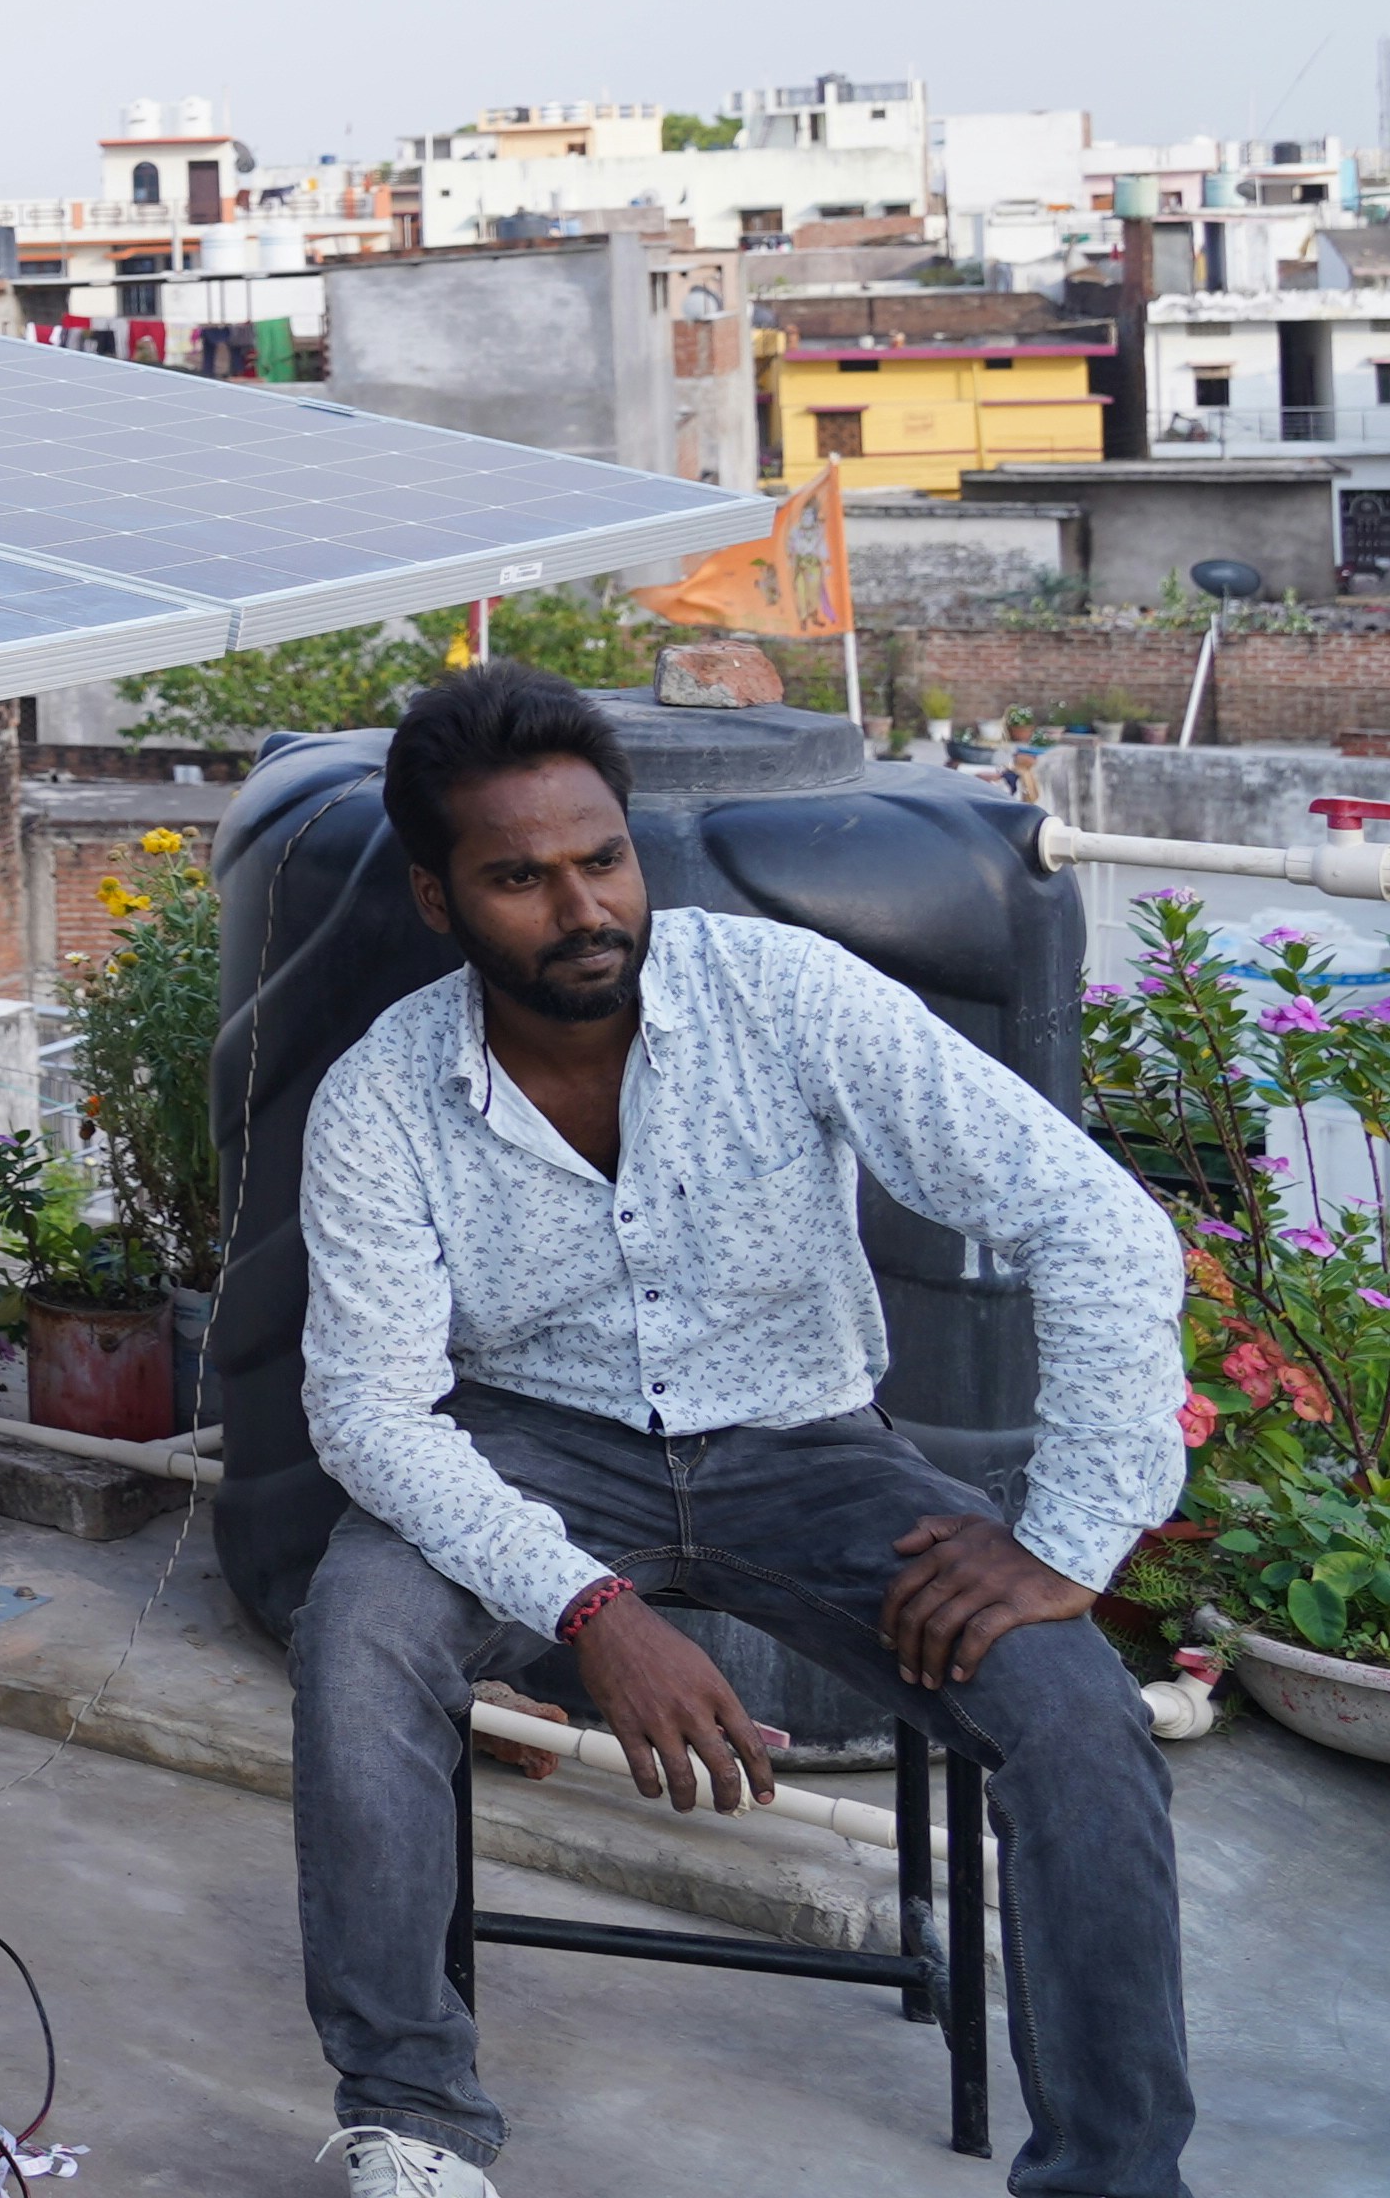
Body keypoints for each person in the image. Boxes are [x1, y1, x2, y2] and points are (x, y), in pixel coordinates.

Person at [289, 662, 1191, 2198]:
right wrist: (593, 1610)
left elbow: (1095, 1222)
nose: (583, 910)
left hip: (804, 1443)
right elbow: (366, 1407)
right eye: (522, 878)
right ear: (440, 901)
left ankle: (1112, 2178)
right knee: (358, 1629)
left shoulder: (784, 994)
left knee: (1075, 1709)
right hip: (536, 1448)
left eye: (604, 859)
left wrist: (1067, 1540)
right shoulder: (382, 1098)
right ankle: (415, 2120)